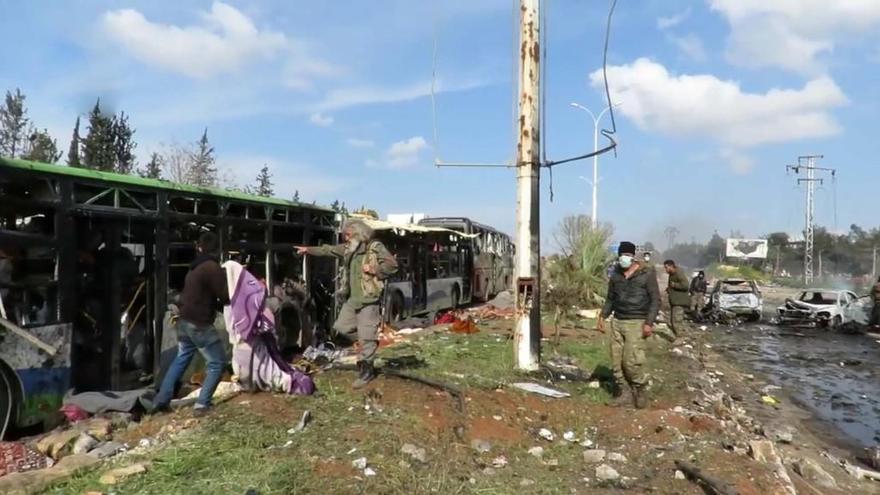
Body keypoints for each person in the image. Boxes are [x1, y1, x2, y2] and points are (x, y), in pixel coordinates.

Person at [296, 219, 398, 388]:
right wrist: (308, 250)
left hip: (368, 299)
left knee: (366, 335)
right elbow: (328, 250)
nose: (345, 238)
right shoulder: (349, 249)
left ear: (358, 233)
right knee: (341, 328)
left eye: (348, 234)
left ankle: (367, 370)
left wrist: (374, 270)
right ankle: (369, 341)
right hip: (352, 300)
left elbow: (392, 266)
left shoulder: (374, 247)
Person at [153, 232, 230, 416]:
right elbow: (225, 296)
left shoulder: (194, 267)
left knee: (181, 359)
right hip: (199, 324)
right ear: (217, 249)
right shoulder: (212, 268)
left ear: (200, 247)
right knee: (218, 362)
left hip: (184, 321)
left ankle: (161, 400)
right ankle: (202, 404)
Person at [598, 241, 660, 409]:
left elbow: (655, 300)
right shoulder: (616, 275)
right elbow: (610, 299)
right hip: (617, 321)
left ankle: (640, 388)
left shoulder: (646, 273)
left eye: (628, 255)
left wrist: (649, 323)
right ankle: (624, 392)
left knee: (631, 362)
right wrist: (602, 317)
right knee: (616, 361)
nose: (624, 258)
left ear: (633, 257)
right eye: (622, 255)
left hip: (637, 321)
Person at [664, 260, 691, 338]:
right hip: (675, 301)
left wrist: (675, 285)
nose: (665, 270)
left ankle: (681, 338)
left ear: (671, 266)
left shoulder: (678, 273)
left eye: (666, 267)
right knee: (673, 321)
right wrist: (669, 289)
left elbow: (686, 286)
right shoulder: (672, 274)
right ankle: (677, 336)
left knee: (676, 321)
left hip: (679, 302)